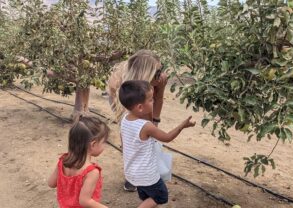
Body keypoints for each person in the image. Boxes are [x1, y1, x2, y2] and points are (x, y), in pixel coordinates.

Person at [119, 80, 195, 208]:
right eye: (150, 100)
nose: (153, 101)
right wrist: (182, 125)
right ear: (140, 107)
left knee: (147, 197)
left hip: (132, 171)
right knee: (161, 196)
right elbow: (167, 137)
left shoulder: (125, 119)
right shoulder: (146, 126)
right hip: (147, 175)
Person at [107, 49, 168, 192]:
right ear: (146, 73)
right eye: (157, 72)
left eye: (161, 70)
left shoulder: (157, 80)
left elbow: (158, 99)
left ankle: (148, 174)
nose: (161, 75)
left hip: (143, 101)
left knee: (149, 140)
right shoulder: (122, 84)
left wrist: (154, 122)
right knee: (130, 141)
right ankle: (131, 177)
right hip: (123, 105)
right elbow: (122, 110)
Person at [47, 116, 110, 208]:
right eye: (104, 142)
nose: (105, 145)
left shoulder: (63, 160)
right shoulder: (91, 172)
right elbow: (85, 201)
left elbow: (51, 183)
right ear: (93, 144)